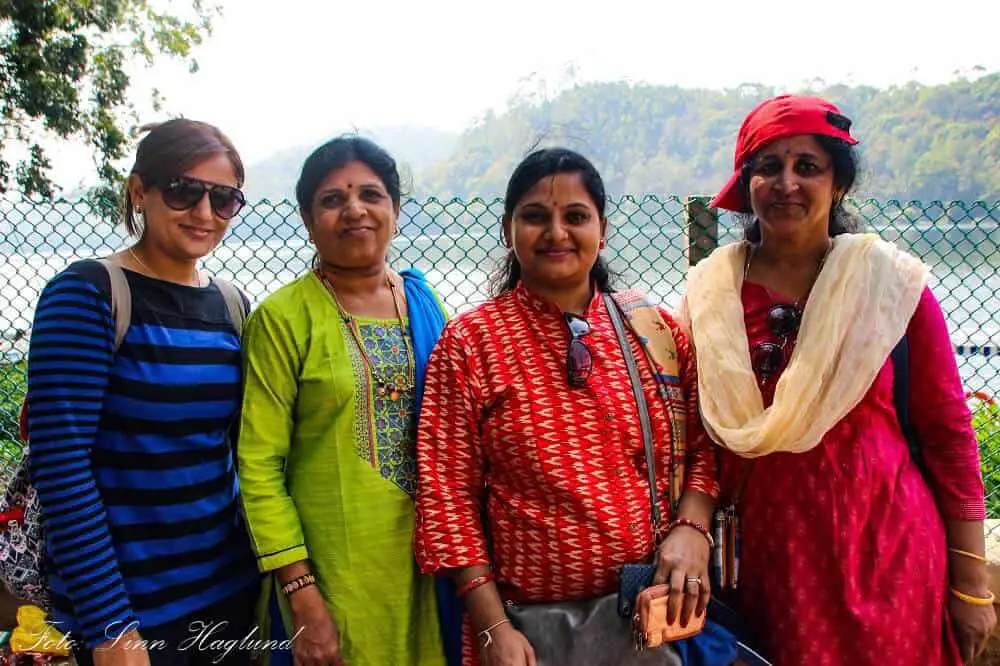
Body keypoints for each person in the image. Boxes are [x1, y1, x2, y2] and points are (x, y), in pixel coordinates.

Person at [680, 94, 997, 665]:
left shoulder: (890, 288)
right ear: (745, 183)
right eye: (768, 167)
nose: (787, 183)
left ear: (839, 184)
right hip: (767, 574)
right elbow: (689, 436)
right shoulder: (710, 297)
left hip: (888, 558)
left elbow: (950, 437)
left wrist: (972, 585)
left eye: (808, 166)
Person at [413, 147, 719, 666]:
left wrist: (693, 527)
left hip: (651, 618)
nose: (556, 232)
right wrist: (492, 627)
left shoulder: (655, 330)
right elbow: (447, 497)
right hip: (526, 634)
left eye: (575, 216)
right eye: (536, 217)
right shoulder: (471, 342)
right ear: (509, 229)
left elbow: (705, 442)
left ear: (601, 230)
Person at [25, 119, 261, 665]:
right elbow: (61, 467)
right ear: (140, 191)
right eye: (184, 190)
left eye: (224, 199)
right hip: (127, 610)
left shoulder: (230, 304)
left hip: (228, 598)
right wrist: (111, 627)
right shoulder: (88, 294)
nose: (203, 213)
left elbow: (231, 450)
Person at [237, 136, 452, 666]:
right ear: (309, 221)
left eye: (371, 195)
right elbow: (258, 466)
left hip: (432, 567)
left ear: (395, 211)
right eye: (332, 200)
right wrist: (301, 592)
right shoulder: (282, 318)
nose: (354, 210)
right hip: (333, 576)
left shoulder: (426, 303)